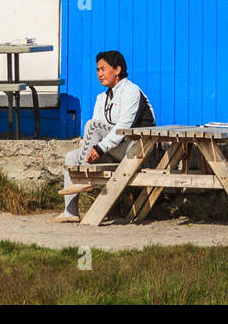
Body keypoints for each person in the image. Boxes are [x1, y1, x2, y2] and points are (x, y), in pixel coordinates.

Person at [54, 50, 156, 223]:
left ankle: (82, 175)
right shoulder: (101, 98)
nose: (100, 74)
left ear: (117, 70)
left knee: (91, 125)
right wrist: (91, 149)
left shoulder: (131, 91)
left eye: (103, 69)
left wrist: (99, 148)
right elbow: (95, 134)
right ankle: (70, 212)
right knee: (71, 156)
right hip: (115, 148)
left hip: (137, 149)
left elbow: (123, 127)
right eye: (97, 70)